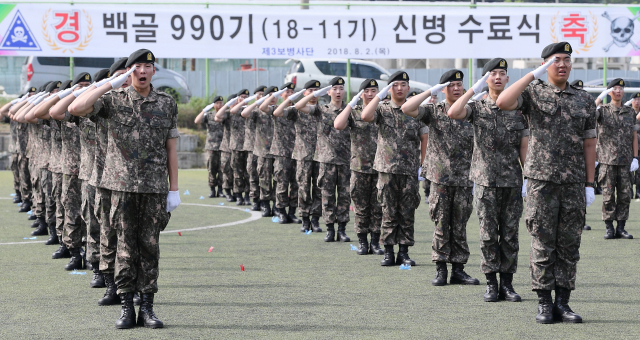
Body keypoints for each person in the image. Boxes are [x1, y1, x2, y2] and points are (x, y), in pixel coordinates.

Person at [69, 49, 180, 329]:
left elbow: (171, 147)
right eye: (137, 67)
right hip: (121, 188)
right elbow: (75, 108)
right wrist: (109, 84)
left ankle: (148, 308)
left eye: (148, 66)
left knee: (150, 249)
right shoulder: (112, 101)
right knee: (125, 249)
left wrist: (174, 189)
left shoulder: (166, 103)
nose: (142, 71)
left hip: (154, 188)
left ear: (154, 71)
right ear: (130, 72)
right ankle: (127, 308)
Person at [496, 41, 596, 324]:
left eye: (566, 59)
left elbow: (590, 144)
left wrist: (590, 184)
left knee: (569, 244)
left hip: (574, 182)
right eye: (555, 60)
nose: (562, 64)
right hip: (541, 181)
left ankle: (563, 303)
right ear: (545, 64)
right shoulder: (533, 93)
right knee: (542, 241)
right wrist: (532, 74)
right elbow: (503, 102)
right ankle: (543, 302)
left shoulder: (584, 99)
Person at [447, 58, 528, 302]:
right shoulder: (478, 107)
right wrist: (473, 88)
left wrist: (527, 177)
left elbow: (524, 145)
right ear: (486, 79)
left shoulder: (519, 109)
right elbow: (453, 112)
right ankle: (491, 283)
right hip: (485, 183)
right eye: (492, 74)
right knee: (488, 235)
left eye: (502, 73)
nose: (498, 77)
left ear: (508, 79)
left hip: (512, 182)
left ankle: (508, 284)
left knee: (510, 235)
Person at [402, 70, 477, 284]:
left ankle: (459, 269)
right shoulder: (433, 111)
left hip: (464, 177)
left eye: (459, 84)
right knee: (441, 223)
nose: (456, 88)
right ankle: (441, 268)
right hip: (440, 177)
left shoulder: (470, 111)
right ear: (443, 89)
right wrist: (430, 91)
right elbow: (407, 108)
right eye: (451, 85)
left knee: (460, 224)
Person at [360, 71, 428, 265]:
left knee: (407, 211)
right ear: (390, 88)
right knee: (388, 211)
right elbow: (365, 115)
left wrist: (423, 163)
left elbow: (425, 137)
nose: (399, 88)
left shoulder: (415, 110)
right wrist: (380, 96)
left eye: (403, 85)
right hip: (387, 169)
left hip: (409, 169)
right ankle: (388, 251)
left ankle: (404, 252)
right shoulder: (382, 109)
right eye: (395, 85)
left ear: (408, 88)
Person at [295, 77, 352, 242]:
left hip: (345, 160)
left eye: (341, 88)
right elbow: (299, 106)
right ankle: (329, 229)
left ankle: (341, 229)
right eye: (334, 89)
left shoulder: (349, 110)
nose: (338, 92)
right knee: (326, 195)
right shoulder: (321, 109)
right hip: (326, 161)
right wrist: (316, 93)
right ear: (329, 91)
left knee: (343, 196)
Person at [333, 79, 384, 255]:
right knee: (361, 207)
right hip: (359, 167)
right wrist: (351, 104)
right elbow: (338, 125)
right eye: (367, 91)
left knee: (378, 207)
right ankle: (363, 242)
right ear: (361, 93)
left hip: (380, 167)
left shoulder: (383, 112)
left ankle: (376, 243)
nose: (370, 94)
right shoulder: (354, 113)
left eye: (374, 91)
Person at [50, 72, 93, 271]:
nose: (85, 87)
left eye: (88, 84)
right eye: (80, 84)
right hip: (69, 169)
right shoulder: (70, 111)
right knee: (72, 213)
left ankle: (95, 260)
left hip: (92, 172)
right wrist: (71, 94)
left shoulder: (93, 109)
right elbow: (50, 113)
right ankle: (75, 253)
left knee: (92, 218)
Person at [274, 80, 323, 232]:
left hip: (320, 155)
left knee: (318, 188)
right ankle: (305, 219)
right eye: (310, 91)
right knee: (303, 188)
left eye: (316, 91)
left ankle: (315, 219)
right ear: (304, 92)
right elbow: (277, 112)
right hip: (302, 155)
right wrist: (290, 99)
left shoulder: (323, 109)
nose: (314, 94)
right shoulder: (296, 109)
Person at [594, 79, 637, 240]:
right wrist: (600, 97)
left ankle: (621, 228)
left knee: (625, 195)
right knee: (608, 195)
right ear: (609, 92)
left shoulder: (630, 112)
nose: (618, 91)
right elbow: (589, 112)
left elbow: (633, 135)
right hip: (607, 161)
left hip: (626, 161)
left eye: (620, 88)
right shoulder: (602, 110)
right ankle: (609, 228)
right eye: (614, 88)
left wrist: (635, 157)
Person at [268, 82, 301, 224]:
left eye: (292, 92)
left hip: (297, 152)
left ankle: (292, 212)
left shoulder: (298, 109)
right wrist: (277, 97)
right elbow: (264, 108)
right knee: (281, 183)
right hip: (281, 152)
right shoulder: (277, 108)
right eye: (286, 92)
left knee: (295, 184)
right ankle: (281, 211)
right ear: (281, 95)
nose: (289, 94)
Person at [242, 86, 277, 216]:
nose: (273, 98)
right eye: (270, 95)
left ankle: (277, 207)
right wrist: (257, 102)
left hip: (279, 151)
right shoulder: (257, 111)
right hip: (262, 150)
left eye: (275, 95)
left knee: (279, 180)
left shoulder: (280, 109)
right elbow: (244, 114)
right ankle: (264, 204)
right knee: (264, 179)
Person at [194, 96, 224, 198]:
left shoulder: (225, 114)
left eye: (221, 103)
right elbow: (197, 121)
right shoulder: (209, 115)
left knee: (222, 169)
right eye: (217, 103)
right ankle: (212, 189)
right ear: (213, 105)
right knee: (211, 168)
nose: (219, 105)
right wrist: (204, 110)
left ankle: (220, 190)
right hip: (211, 146)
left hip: (223, 146)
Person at [245, 86, 266, 208]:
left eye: (264, 94)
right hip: (251, 148)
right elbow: (244, 113)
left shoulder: (270, 110)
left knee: (264, 176)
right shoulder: (252, 110)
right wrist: (256, 102)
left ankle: (265, 200)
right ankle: (255, 199)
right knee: (253, 174)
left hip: (265, 148)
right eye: (259, 94)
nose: (262, 96)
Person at [215, 94, 237, 202]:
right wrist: (226, 105)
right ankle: (228, 191)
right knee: (227, 170)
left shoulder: (242, 113)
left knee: (239, 172)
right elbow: (217, 116)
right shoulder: (227, 114)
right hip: (227, 147)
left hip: (239, 147)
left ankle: (238, 192)